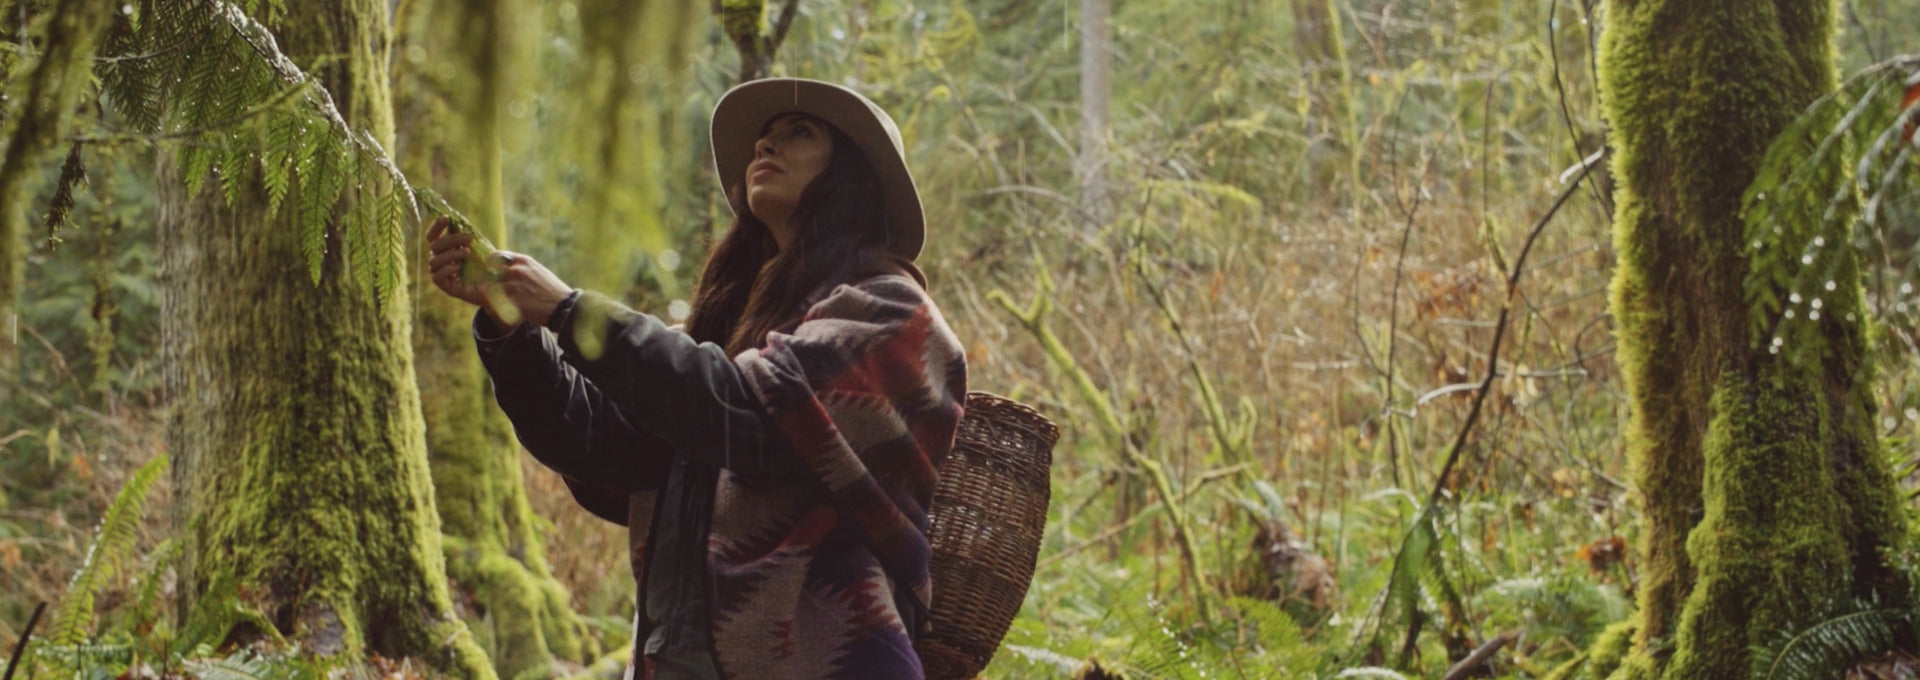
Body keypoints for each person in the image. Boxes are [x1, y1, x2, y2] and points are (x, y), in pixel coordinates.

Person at [424, 78, 967, 680]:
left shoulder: (892, 313)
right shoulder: (736, 331)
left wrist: (570, 311)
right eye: (763, 137)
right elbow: (600, 442)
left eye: (799, 133)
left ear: (854, 175)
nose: (766, 146)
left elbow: (749, 416)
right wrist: (511, 324)